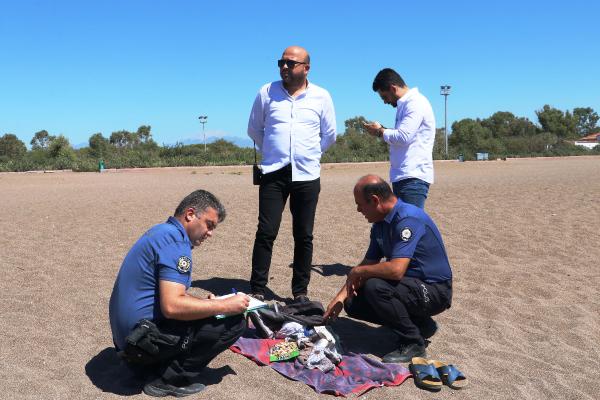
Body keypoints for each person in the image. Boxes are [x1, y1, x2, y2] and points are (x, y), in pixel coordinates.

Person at [109, 190, 249, 397]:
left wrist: (209, 304)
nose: (210, 233)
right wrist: (225, 305)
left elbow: (171, 296)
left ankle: (152, 365)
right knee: (235, 321)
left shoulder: (161, 232)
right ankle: (167, 379)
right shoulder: (176, 243)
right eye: (209, 225)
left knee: (211, 311)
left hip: (127, 340)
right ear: (190, 214)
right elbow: (173, 306)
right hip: (139, 345)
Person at [324, 175, 452, 363]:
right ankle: (421, 324)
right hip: (411, 286)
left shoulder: (408, 218)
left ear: (375, 200)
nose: (358, 210)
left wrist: (359, 272)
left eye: (360, 204)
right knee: (353, 301)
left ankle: (413, 343)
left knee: (375, 286)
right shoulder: (380, 224)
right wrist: (340, 299)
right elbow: (368, 262)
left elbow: (396, 270)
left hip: (435, 291)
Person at [247, 45, 337, 302]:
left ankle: (300, 292)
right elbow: (254, 130)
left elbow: (329, 135)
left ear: (306, 68)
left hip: (307, 175)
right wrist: (275, 153)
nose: (284, 67)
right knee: (266, 231)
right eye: (281, 62)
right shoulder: (266, 92)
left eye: (291, 63)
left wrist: (308, 154)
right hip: (274, 173)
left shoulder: (322, 96)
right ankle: (257, 287)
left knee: (304, 234)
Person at [362, 68, 436, 209]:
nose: (385, 102)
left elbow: (403, 137)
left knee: (409, 227)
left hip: (413, 178)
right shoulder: (406, 105)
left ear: (392, 88)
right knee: (404, 225)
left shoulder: (415, 103)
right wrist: (383, 129)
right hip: (404, 177)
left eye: (384, 97)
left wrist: (379, 132)